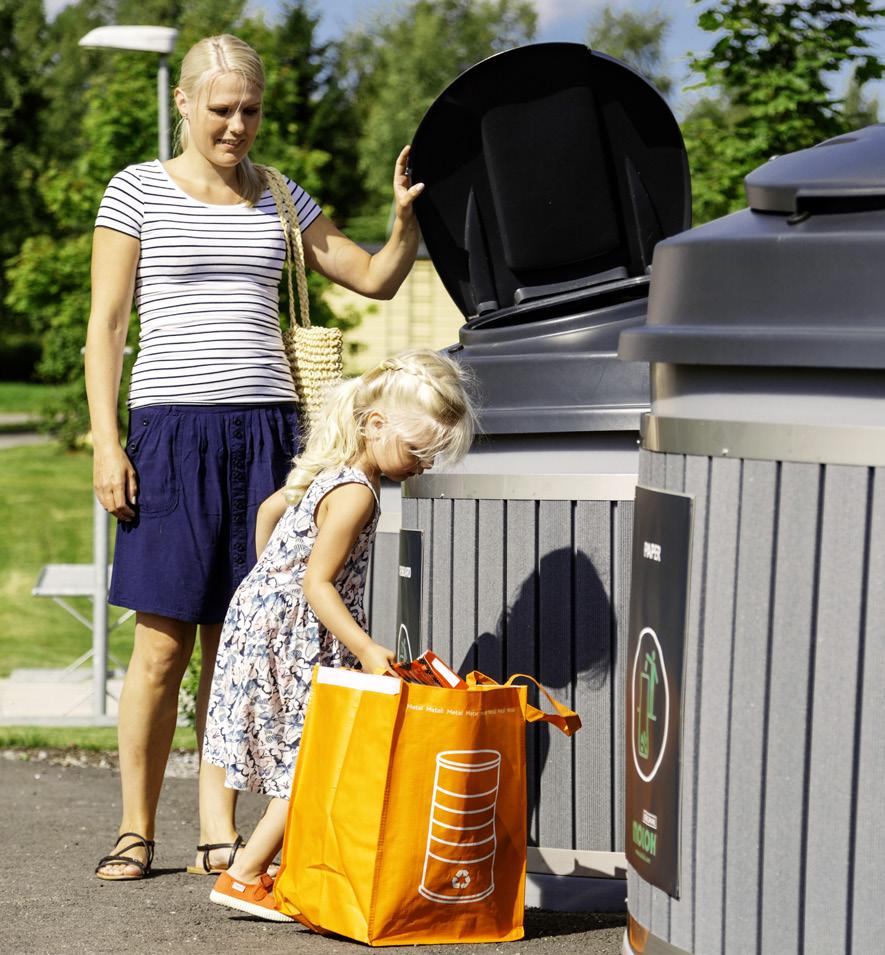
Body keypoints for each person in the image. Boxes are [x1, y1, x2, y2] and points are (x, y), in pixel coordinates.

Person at [87, 33, 425, 880]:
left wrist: (405, 222)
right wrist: (106, 438)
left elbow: (374, 278)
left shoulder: (279, 193)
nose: (237, 126)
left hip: (271, 433)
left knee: (236, 640)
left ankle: (218, 828)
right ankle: (135, 827)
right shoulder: (136, 191)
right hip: (172, 429)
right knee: (162, 644)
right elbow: (108, 327)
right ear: (184, 104)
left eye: (250, 111)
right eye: (221, 110)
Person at [202, 349, 475, 920]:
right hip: (298, 633)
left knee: (304, 752)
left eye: (432, 455)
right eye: (417, 450)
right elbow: (319, 584)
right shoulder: (357, 493)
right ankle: (245, 874)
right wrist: (368, 649)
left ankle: (270, 864)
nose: (423, 464)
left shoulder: (331, 474)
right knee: (313, 756)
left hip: (264, 623)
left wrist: (265, 586)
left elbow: (269, 513)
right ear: (375, 425)